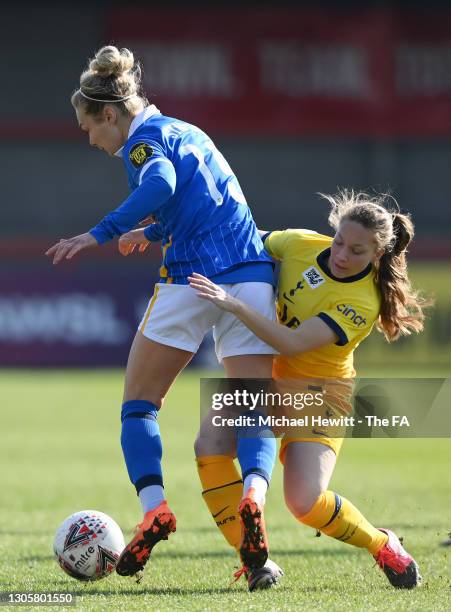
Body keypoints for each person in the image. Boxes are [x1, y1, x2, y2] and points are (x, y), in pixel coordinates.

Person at [45, 45, 282, 589]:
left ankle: (155, 507)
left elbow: (162, 186)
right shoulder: (186, 131)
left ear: (109, 114)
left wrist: (98, 233)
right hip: (250, 275)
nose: (91, 140)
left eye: (89, 127)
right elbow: (206, 200)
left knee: (139, 405)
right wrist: (151, 232)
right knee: (252, 406)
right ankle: (255, 496)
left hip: (193, 280)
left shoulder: (141, 143)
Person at [189, 190, 430, 589]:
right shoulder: (301, 243)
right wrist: (166, 231)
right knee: (209, 445)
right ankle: (255, 561)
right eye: (339, 242)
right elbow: (245, 237)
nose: (341, 254)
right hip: (270, 380)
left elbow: (291, 343)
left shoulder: (361, 301)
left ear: (376, 254)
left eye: (356, 251)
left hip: (321, 395)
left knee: (305, 503)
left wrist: (234, 305)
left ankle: (382, 544)